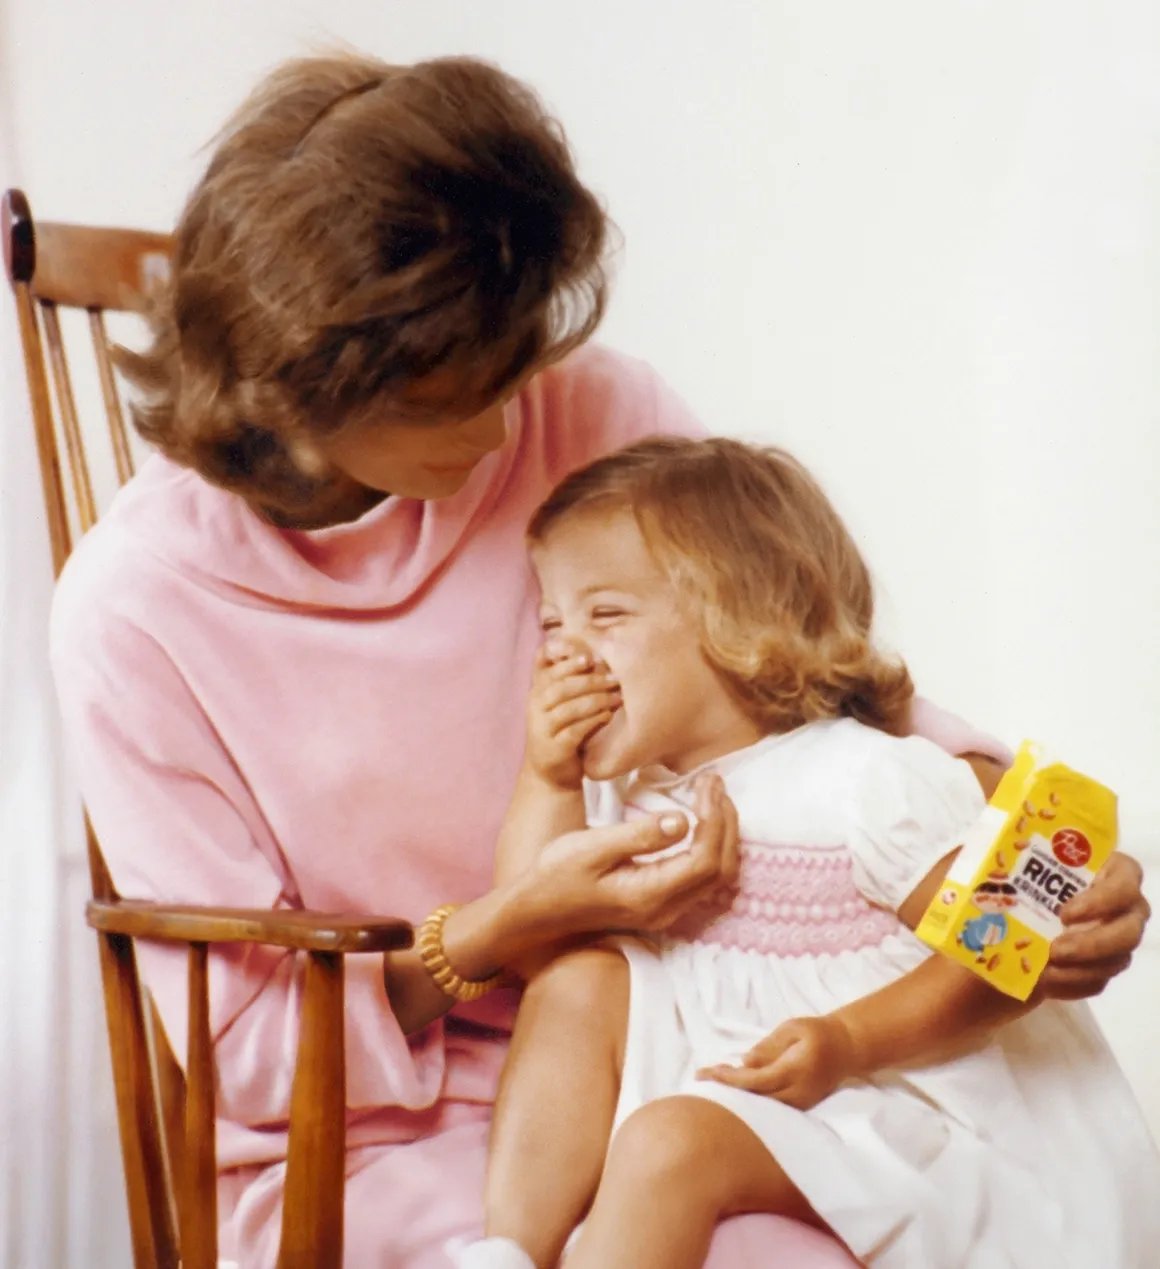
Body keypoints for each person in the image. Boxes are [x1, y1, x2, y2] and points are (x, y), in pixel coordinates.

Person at [47, 51, 1151, 1268]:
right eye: (450, 392)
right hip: (373, 1128)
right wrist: (503, 930)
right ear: (297, 378)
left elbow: (798, 682)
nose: (501, 426)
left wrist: (1033, 849)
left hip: (682, 1045)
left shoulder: (586, 416)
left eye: (514, 367)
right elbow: (253, 1053)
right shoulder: (134, 609)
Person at [460, 437, 1160, 1269]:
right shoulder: (634, 788)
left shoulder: (864, 780)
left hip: (887, 1085)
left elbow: (998, 963)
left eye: (605, 614)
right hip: (738, 1072)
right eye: (551, 623)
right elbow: (528, 932)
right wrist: (548, 774)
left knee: (666, 1141)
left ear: (739, 617)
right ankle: (503, 1252)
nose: (563, 653)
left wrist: (848, 1041)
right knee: (575, 977)